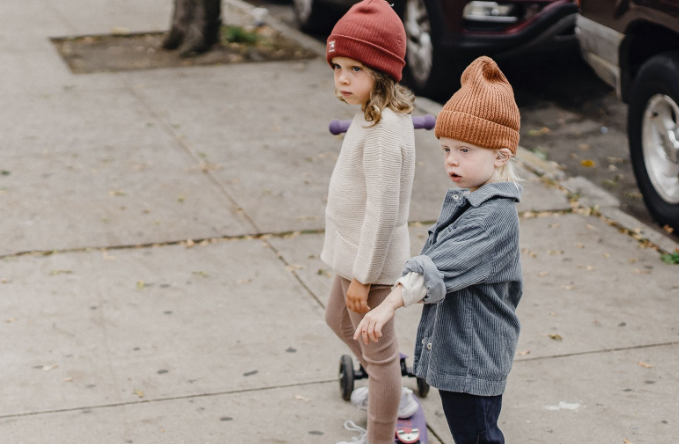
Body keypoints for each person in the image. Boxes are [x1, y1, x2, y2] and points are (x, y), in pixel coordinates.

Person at [354, 56, 524, 444]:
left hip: (474, 358)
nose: (451, 160)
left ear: (501, 155)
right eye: (447, 148)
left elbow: (435, 268)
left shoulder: (492, 217)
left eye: (465, 150)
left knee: (478, 436)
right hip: (460, 353)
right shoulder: (472, 200)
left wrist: (386, 306)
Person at [320, 1, 419, 443]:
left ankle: (383, 428)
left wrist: (362, 278)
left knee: (379, 359)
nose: (342, 78)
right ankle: (388, 391)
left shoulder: (384, 134)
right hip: (352, 251)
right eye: (337, 66)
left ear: (381, 72)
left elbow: (381, 214)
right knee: (337, 320)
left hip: (371, 264)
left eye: (354, 68)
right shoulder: (371, 115)